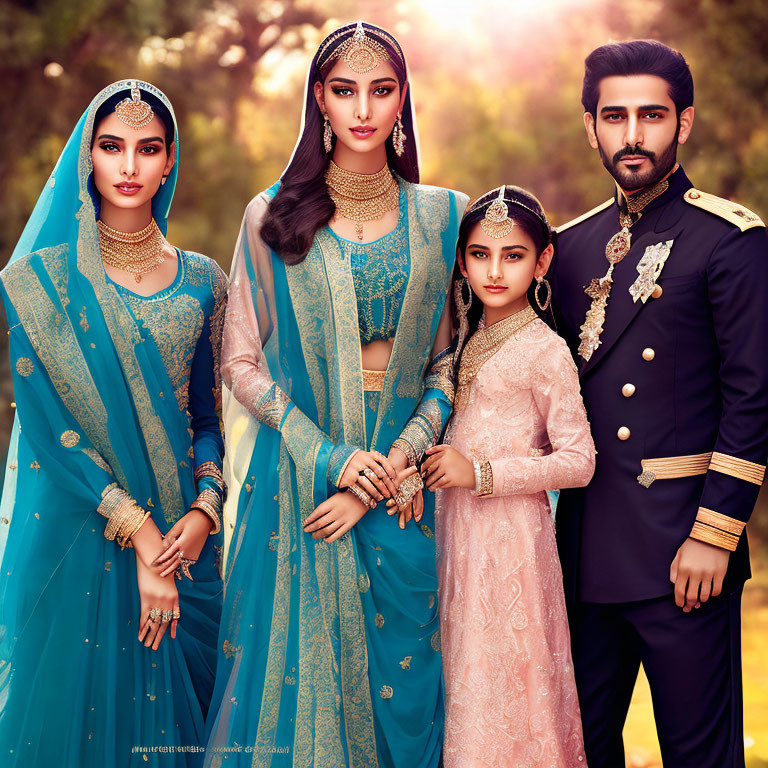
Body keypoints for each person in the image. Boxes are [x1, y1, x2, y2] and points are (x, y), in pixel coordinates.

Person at [204, 22, 467, 768]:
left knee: (410, 693)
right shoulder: (272, 217)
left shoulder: (444, 216)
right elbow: (241, 360)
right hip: (300, 491)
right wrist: (329, 455)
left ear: (402, 99)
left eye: (381, 91)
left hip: (405, 496)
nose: (363, 109)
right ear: (319, 98)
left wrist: (400, 459)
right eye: (345, 91)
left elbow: (448, 364)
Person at [550, 40, 768, 768]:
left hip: (683, 556)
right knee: (581, 750)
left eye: (652, 114)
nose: (632, 134)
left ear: (685, 122)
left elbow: (754, 397)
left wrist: (716, 534)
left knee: (699, 756)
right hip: (580, 556)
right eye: (615, 116)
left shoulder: (730, 241)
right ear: (591, 127)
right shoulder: (568, 247)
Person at [0, 80, 226, 766]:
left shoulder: (205, 282)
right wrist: (141, 534)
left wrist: (205, 510)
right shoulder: (38, 286)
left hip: (185, 548)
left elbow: (208, 419)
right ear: (86, 159)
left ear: (169, 162)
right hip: (80, 541)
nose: (129, 166)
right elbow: (51, 432)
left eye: (147, 149)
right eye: (111, 147)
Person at [422, 186, 594, 767]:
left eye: (513, 255)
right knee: (458, 668)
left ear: (542, 261)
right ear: (462, 258)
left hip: (513, 543)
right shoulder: (457, 342)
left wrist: (483, 473)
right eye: (479, 254)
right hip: (452, 532)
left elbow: (579, 461)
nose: (493, 271)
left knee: (507, 679)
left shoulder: (546, 350)